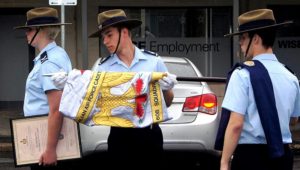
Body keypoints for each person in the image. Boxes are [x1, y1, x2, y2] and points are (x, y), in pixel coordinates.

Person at [214, 9, 300, 170]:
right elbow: (294, 120)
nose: (240, 43)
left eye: (243, 38)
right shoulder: (291, 76)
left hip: (251, 156)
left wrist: (224, 162)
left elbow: (236, 125)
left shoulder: (243, 74)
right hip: (282, 155)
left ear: (256, 39)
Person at [89, 9, 176, 168]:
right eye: (103, 37)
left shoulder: (153, 61)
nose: (105, 41)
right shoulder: (103, 67)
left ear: (124, 32)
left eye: (109, 35)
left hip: (149, 134)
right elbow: (94, 102)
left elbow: (168, 102)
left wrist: (166, 88)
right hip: (120, 134)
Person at [14, 7, 72, 169]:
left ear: (42, 30)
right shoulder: (56, 54)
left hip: (46, 137)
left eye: (29, 29)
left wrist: (50, 149)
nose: (26, 33)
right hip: (47, 133)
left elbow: (56, 108)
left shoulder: (49, 62)